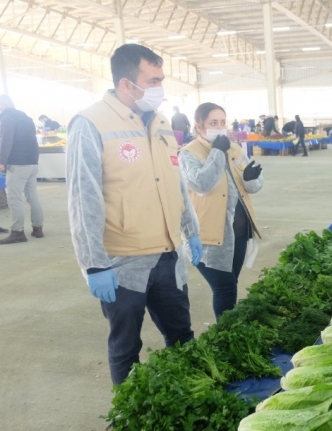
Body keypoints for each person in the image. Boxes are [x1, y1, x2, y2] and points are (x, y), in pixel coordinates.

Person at [66, 44, 203, 386]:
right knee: (127, 345)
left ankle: (186, 396)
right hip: (123, 262)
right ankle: (127, 416)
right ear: (127, 84)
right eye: (153, 80)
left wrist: (190, 229)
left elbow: (176, 182)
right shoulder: (90, 123)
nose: (160, 88)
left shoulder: (160, 121)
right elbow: (84, 198)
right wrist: (94, 263)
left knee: (181, 336)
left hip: (168, 256)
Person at [180, 103, 263, 319]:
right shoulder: (188, 154)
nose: (220, 127)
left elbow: (253, 186)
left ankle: (228, 331)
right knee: (224, 288)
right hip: (210, 236)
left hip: (239, 233)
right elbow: (201, 184)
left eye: (222, 122)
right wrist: (217, 151)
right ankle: (225, 334)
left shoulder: (235, 149)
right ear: (199, 127)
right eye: (213, 123)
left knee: (231, 284)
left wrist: (251, 179)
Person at [0, 95, 45, 244]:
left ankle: (18, 231)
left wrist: (1, 161)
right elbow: (33, 140)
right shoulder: (26, 118)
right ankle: (38, 228)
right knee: (32, 196)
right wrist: (34, 160)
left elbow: (6, 140)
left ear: (4, 104)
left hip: (18, 164)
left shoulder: (7, 117)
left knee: (14, 197)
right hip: (32, 163)